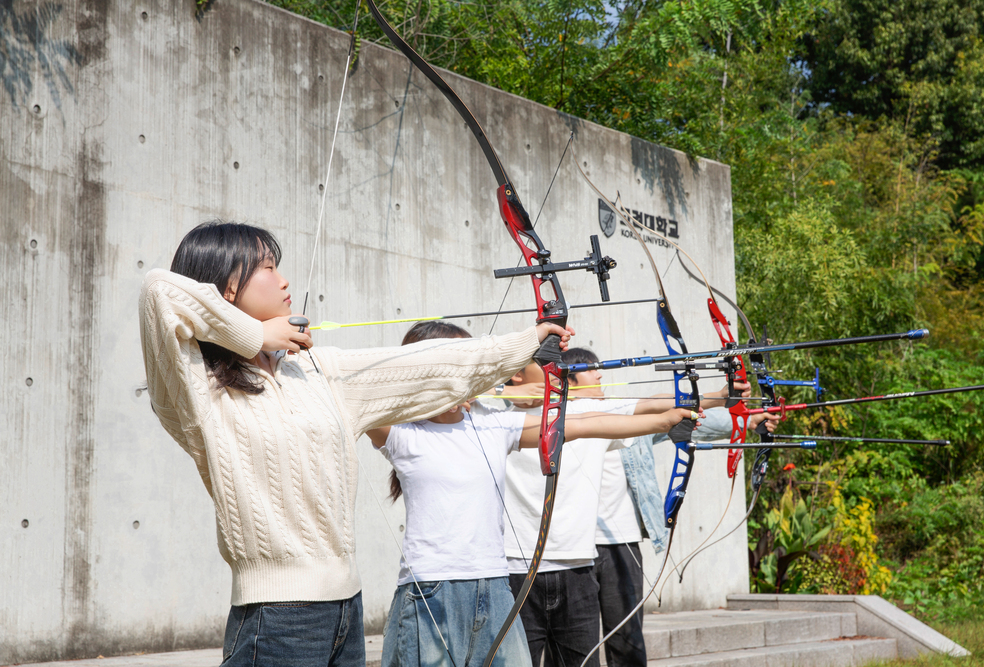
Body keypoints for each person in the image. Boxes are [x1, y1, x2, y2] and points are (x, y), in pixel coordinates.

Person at [138, 220, 572, 667]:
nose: (284, 280)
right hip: (274, 620)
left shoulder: (315, 369)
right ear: (227, 287)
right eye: (268, 267)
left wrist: (525, 343)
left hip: (347, 609)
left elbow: (425, 366)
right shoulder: (197, 389)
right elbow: (158, 291)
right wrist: (255, 336)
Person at [366, 323, 703, 667]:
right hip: (430, 589)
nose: (471, 372)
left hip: (495, 588)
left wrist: (665, 421)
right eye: (460, 364)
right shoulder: (401, 433)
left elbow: (586, 424)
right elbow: (362, 392)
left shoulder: (493, 426)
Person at [500, 349, 739, 667]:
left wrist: (717, 396)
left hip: (577, 569)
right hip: (516, 572)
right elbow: (442, 396)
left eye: (558, 367)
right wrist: (505, 392)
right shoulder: (492, 420)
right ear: (517, 374)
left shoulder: (583, 411)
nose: (555, 372)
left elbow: (650, 405)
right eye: (546, 366)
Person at [572, 349, 782, 667]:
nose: (600, 374)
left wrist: (744, 419)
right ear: (569, 380)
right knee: (578, 648)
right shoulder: (554, 422)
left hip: (622, 543)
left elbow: (682, 418)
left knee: (627, 641)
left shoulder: (621, 416)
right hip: (575, 548)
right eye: (590, 370)